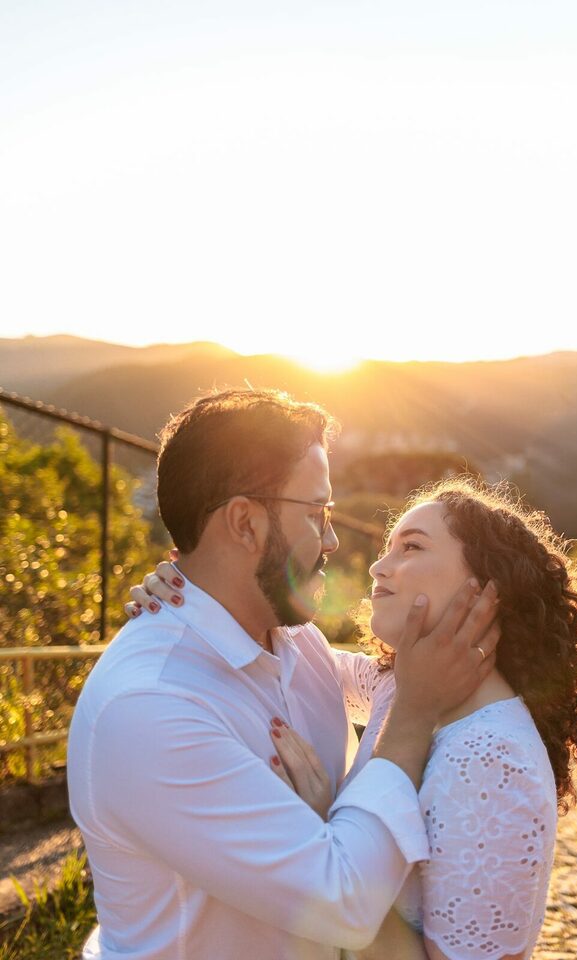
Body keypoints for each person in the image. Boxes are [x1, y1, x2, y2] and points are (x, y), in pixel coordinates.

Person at [67, 388, 500, 960]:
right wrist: (413, 716)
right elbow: (344, 903)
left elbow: (406, 680)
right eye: (317, 512)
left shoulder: (299, 643)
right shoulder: (149, 705)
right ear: (245, 523)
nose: (333, 538)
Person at [132, 476, 577, 960]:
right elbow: (298, 659)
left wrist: (324, 830)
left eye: (411, 547)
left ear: (485, 587)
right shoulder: (400, 687)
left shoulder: (493, 759)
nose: (377, 568)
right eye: (387, 549)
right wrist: (198, 592)